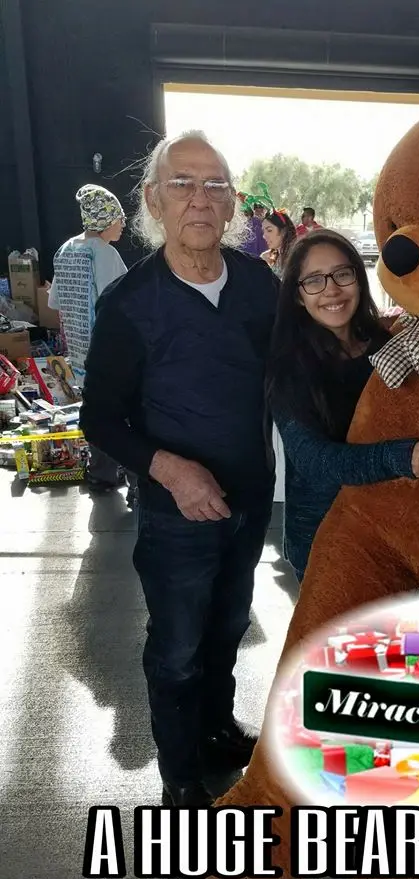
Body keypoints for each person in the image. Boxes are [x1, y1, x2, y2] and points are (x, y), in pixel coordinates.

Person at [80, 131, 279, 807]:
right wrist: (169, 469)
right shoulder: (131, 305)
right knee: (177, 646)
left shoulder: (259, 287)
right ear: (153, 201)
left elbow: (306, 368)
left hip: (251, 497)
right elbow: (99, 420)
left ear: (233, 207)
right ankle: (180, 771)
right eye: (183, 183)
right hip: (176, 516)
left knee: (228, 626)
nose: (201, 198)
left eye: (215, 185)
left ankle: (218, 728)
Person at [266, 229, 419, 581]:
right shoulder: (289, 365)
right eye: (314, 280)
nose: (331, 289)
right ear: (298, 296)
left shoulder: (388, 345)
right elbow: (314, 459)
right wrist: (400, 458)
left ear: (359, 279)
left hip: (394, 538)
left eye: (342, 274)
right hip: (325, 542)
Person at [48, 184, 129, 491]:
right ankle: (137, 485)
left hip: (80, 354)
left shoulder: (65, 249)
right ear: (106, 219)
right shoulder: (104, 254)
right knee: (125, 417)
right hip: (109, 353)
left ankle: (100, 474)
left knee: (95, 413)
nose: (122, 224)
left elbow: (54, 302)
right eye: (119, 217)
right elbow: (122, 303)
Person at [261, 209, 297, 276]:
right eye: (263, 231)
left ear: (283, 231)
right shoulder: (266, 257)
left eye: (269, 230)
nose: (264, 236)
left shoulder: (297, 257)